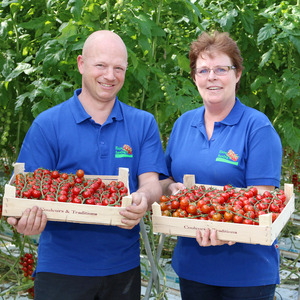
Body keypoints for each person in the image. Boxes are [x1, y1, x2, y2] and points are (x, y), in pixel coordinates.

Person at [7, 30, 168, 300]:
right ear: (81, 64)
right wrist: (22, 221)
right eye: (101, 65)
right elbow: (24, 192)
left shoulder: (143, 123)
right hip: (61, 270)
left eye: (119, 68)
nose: (110, 75)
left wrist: (144, 198)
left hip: (123, 270)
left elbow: (151, 183)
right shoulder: (48, 125)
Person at [160, 31, 282, 300]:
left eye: (221, 69)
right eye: (203, 70)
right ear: (194, 78)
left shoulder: (257, 128)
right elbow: (164, 179)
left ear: (237, 75)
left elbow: (262, 200)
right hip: (192, 267)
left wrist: (229, 229)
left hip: (247, 274)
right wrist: (172, 190)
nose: (211, 77)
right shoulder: (183, 124)